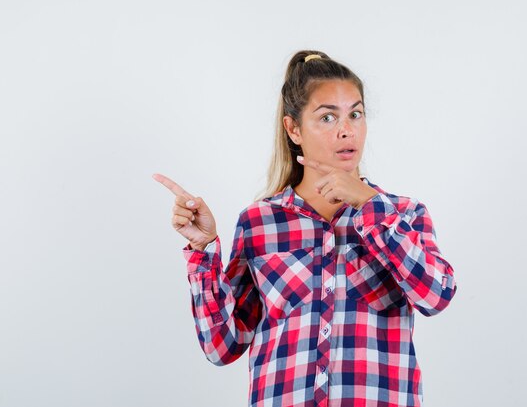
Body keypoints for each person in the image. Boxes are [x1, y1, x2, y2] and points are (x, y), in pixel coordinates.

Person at [153, 50, 457, 407]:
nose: (347, 129)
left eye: (355, 114)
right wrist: (204, 250)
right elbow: (222, 346)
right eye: (328, 117)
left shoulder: (403, 214)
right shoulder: (259, 222)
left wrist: (370, 206)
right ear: (293, 128)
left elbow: (436, 296)